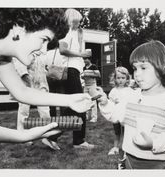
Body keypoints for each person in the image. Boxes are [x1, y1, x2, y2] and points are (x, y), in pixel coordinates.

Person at [0, 8, 93, 143]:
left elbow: (22, 91)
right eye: (44, 40)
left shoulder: (0, 53)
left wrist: (70, 100)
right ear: (20, 29)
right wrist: (22, 136)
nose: (43, 50)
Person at [97, 40, 165, 169]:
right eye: (135, 68)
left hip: (158, 164)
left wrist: (154, 143)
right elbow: (115, 114)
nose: (137, 74)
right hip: (129, 160)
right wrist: (105, 102)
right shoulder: (132, 97)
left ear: (162, 67)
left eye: (143, 67)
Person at [58, 8, 94, 149]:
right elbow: (62, 49)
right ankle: (79, 141)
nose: (79, 23)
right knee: (80, 105)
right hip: (71, 71)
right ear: (72, 19)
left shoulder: (72, 32)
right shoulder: (67, 32)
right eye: (78, 20)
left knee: (70, 108)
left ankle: (52, 136)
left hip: (73, 71)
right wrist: (81, 54)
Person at [13, 56, 60, 150]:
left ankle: (48, 137)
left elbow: (44, 69)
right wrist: (25, 78)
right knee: (24, 110)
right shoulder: (24, 51)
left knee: (45, 111)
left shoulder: (42, 54)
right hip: (26, 86)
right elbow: (19, 66)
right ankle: (22, 136)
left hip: (42, 85)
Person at [107, 66, 133, 157]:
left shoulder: (129, 91)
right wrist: (114, 103)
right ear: (115, 79)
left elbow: (131, 102)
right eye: (118, 78)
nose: (121, 80)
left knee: (127, 132)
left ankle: (127, 149)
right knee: (117, 133)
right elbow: (110, 103)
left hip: (126, 116)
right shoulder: (113, 91)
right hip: (116, 115)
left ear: (127, 79)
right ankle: (116, 148)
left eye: (123, 78)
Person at [82, 56, 100, 122]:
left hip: (92, 85)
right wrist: (83, 76)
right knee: (85, 100)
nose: (84, 61)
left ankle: (94, 117)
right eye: (83, 59)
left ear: (89, 59)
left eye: (85, 59)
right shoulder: (84, 68)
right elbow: (84, 76)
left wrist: (89, 75)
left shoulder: (94, 66)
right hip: (86, 85)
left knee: (93, 101)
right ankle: (86, 116)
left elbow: (98, 75)